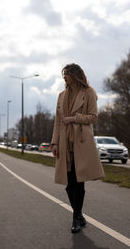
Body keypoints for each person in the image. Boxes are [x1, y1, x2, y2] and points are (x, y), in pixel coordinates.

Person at [51, 63, 104, 234]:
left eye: (66, 74)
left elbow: (93, 117)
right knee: (68, 184)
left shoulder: (89, 93)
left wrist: (74, 118)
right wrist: (54, 143)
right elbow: (58, 122)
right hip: (65, 144)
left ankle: (75, 219)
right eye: (63, 74)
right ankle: (79, 215)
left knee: (78, 182)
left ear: (75, 75)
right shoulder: (61, 95)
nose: (64, 77)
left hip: (81, 143)